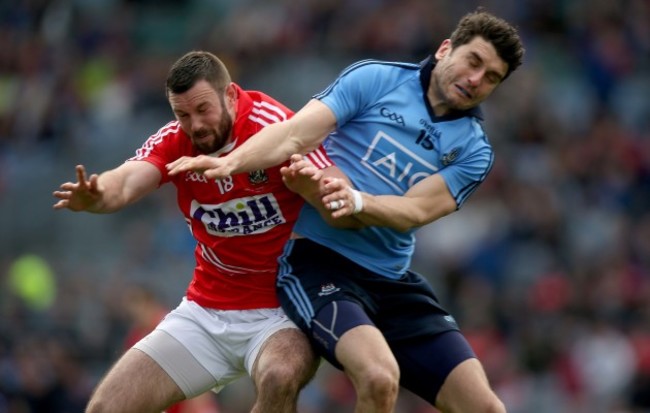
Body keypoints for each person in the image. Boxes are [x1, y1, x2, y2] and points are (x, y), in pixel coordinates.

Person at [166, 9, 524, 413]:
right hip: (319, 263)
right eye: (474, 61)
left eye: (491, 77)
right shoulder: (377, 78)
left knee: (488, 409)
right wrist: (229, 163)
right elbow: (295, 133)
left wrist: (354, 200)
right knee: (378, 376)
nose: (476, 79)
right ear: (445, 49)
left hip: (391, 279)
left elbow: (413, 211)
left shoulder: (475, 150)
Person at [53, 51, 331, 413]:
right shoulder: (175, 140)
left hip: (284, 310)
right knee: (106, 407)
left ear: (230, 95)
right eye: (182, 114)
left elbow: (332, 187)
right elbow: (126, 180)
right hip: (206, 312)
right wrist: (99, 194)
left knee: (279, 377)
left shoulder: (274, 123)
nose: (195, 124)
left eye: (203, 109)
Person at [120, 285, 220, 413]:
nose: (134, 315)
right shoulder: (135, 338)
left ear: (149, 303)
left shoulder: (172, 328)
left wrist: (201, 407)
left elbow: (196, 372)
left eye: (137, 307)